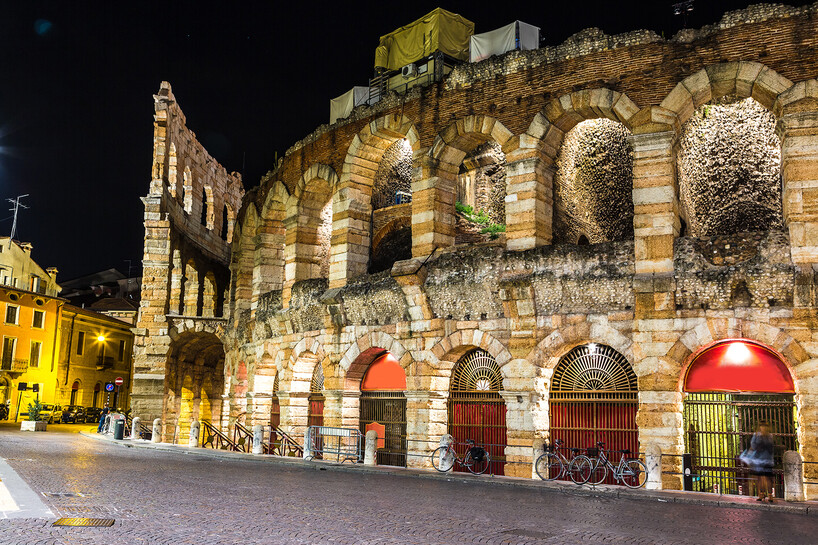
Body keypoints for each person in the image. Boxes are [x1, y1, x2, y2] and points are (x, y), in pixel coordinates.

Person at [750, 421, 775, 502]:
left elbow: (771, 447)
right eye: (762, 426)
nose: (763, 428)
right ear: (760, 427)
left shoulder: (770, 436)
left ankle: (770, 495)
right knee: (760, 478)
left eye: (765, 426)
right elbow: (753, 446)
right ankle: (761, 494)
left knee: (768, 478)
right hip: (759, 460)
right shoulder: (756, 435)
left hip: (768, 460)